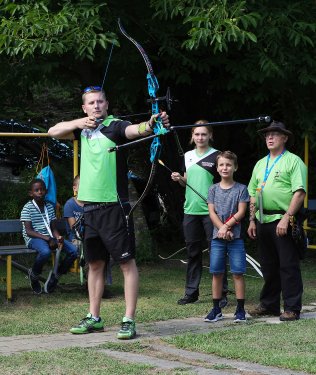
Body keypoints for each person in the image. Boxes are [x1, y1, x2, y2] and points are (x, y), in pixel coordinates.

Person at [48, 86, 169, 340]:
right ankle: (94, 318)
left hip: (114, 207)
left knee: (126, 263)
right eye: (91, 102)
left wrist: (152, 123)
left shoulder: (115, 126)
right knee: (94, 265)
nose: (96, 106)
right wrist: (80, 123)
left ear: (107, 104)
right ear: (84, 107)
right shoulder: (82, 128)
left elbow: (136, 130)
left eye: (100, 101)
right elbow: (53, 131)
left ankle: (129, 319)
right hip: (89, 209)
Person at [247, 121, 307, 322]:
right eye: (267, 135)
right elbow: (253, 194)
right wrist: (252, 220)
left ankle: (292, 308)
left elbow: (299, 192)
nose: (269, 138)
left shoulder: (293, 161)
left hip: (283, 220)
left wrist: (287, 217)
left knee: (288, 266)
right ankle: (269, 305)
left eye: (274, 134)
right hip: (262, 219)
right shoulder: (259, 163)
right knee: (268, 265)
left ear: (285, 138)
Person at [170, 121, 229, 307]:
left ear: (210, 135)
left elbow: (225, 183)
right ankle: (191, 293)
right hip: (191, 210)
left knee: (216, 253)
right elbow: (186, 181)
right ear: (192, 136)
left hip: (212, 212)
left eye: (204, 134)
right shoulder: (188, 155)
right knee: (193, 253)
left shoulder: (218, 156)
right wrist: (179, 178)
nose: (200, 138)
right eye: (197, 134)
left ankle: (222, 294)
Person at [204, 151, 249, 323]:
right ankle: (216, 309)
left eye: (228, 165)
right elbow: (212, 212)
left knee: (237, 273)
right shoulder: (212, 189)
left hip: (235, 238)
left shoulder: (241, 189)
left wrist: (227, 226)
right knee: (217, 273)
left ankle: (240, 310)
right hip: (217, 238)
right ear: (217, 168)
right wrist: (222, 229)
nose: (225, 168)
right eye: (221, 165)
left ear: (235, 167)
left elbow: (241, 212)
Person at [21, 178, 78, 294]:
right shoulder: (28, 208)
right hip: (34, 238)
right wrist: (48, 239)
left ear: (46, 191)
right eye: (36, 190)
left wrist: (57, 237)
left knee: (74, 251)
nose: (40, 192)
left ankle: (56, 275)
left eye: (42, 190)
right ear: (31, 193)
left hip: (50, 237)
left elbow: (53, 229)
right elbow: (29, 231)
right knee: (45, 252)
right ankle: (34, 275)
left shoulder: (49, 207)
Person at [64, 175, 111, 298]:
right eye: (81, 185)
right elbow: (73, 228)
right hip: (76, 239)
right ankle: (91, 285)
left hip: (91, 236)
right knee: (89, 249)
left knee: (102, 249)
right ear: (75, 188)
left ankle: (96, 284)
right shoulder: (70, 204)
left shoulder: (93, 203)